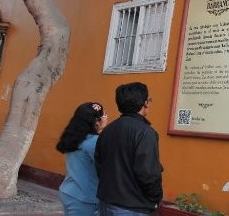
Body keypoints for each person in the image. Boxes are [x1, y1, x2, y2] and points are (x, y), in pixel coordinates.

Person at [95, 82, 163, 216]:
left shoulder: (107, 130)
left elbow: (99, 165)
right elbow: (148, 173)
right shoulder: (145, 132)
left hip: (106, 201)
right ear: (145, 103)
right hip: (132, 207)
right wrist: (156, 198)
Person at [56, 102, 109, 216]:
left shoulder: (75, 137)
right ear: (96, 122)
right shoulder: (94, 142)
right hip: (85, 198)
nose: (106, 119)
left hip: (69, 191)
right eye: (104, 116)